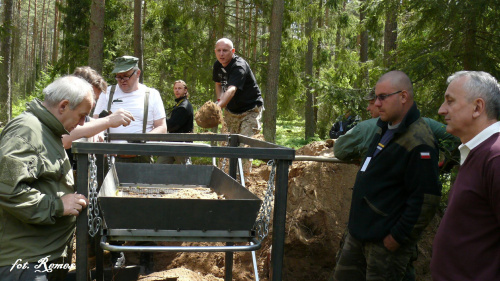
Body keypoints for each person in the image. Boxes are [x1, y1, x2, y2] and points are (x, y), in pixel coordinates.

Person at [332, 71, 442, 281]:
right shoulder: (384, 128)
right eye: (376, 97)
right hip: (359, 235)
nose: (376, 102)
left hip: (385, 244)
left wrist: (398, 237)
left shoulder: (420, 142)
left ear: (403, 97)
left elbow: (426, 199)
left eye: (383, 97)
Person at [0, 76, 92, 280]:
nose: (82, 123)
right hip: (24, 263)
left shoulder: (48, 131)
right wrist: (58, 206)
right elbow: (7, 190)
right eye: (82, 115)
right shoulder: (26, 131)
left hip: (42, 258)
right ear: (64, 106)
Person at [431, 71, 500, 281]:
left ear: (477, 108)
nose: (441, 110)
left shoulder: (495, 157)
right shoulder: (477, 152)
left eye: (450, 101)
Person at [334, 89, 460, 168]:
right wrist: (440, 165)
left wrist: (360, 156)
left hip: (377, 196)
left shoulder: (364, 128)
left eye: (372, 103)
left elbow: (340, 150)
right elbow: (456, 140)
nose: (369, 108)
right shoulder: (425, 123)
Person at [93, 56, 167, 163]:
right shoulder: (107, 93)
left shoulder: (152, 94)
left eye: (126, 76)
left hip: (141, 158)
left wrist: (143, 140)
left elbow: (162, 127)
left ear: (138, 73)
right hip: (110, 158)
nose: (122, 80)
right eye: (118, 77)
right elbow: (95, 122)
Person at [62, 66, 135, 169]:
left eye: (95, 99)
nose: (93, 104)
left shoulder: (82, 117)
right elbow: (63, 139)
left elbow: (92, 122)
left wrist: (98, 131)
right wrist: (108, 121)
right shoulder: (60, 112)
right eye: (91, 97)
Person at [213, 38, 264, 173]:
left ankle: (243, 182)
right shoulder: (217, 65)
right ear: (215, 52)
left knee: (244, 147)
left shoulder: (239, 66)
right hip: (231, 111)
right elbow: (218, 84)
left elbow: (231, 90)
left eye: (225, 50)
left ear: (233, 51)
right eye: (219, 50)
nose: (221, 54)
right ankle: (223, 178)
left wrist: (217, 107)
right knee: (225, 145)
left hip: (250, 110)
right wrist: (220, 100)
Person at [157, 80, 194, 165]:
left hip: (182, 145)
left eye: (179, 88)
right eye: (175, 88)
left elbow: (171, 125)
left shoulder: (184, 106)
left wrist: (159, 121)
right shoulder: (179, 105)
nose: (177, 90)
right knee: (159, 167)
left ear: (185, 90)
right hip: (171, 142)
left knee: (185, 172)